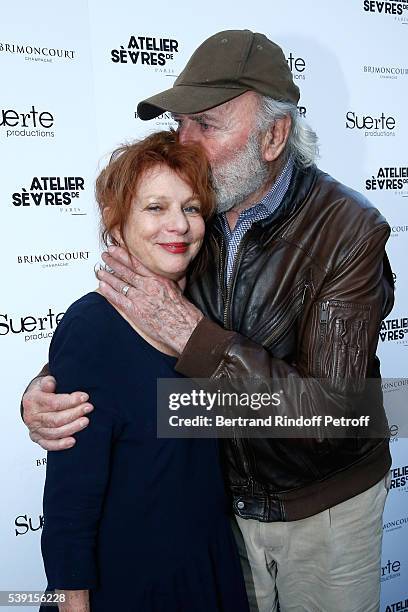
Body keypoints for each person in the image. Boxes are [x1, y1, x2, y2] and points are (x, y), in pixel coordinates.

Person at [23, 31, 394, 612]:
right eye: (180, 122)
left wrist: (192, 336)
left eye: (208, 125)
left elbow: (335, 412)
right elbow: (113, 330)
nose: (185, 144)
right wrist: (47, 390)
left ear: (274, 137)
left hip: (322, 512)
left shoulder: (349, 230)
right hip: (220, 516)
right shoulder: (195, 210)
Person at [38, 131, 250, 612]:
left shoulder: (202, 318)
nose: (178, 225)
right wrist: (72, 601)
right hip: (130, 585)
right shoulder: (91, 327)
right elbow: (70, 501)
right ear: (117, 224)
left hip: (206, 571)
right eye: (155, 208)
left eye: (191, 208)